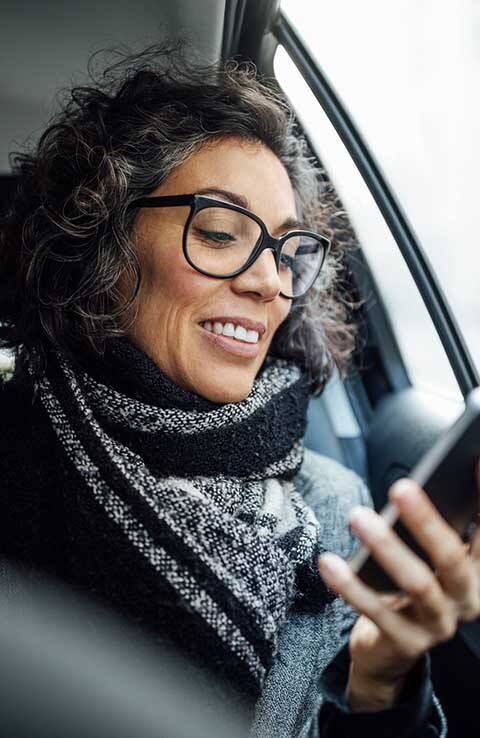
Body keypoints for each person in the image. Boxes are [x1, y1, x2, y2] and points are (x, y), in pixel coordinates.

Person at [0, 45, 478, 738]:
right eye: (221, 233)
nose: (270, 283)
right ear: (104, 243)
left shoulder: (336, 506)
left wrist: (380, 685)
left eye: (288, 253)